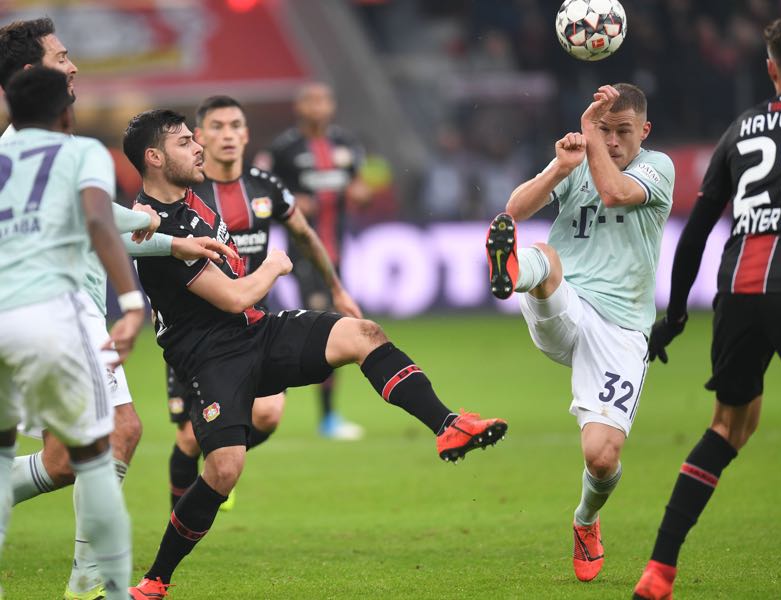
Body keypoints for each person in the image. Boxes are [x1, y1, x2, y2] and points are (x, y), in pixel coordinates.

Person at [123, 109, 507, 599]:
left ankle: (447, 425)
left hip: (256, 332)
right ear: (154, 158)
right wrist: (276, 267)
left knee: (362, 333)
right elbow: (237, 296)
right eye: (184, 142)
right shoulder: (155, 228)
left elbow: (271, 250)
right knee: (224, 470)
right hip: (211, 357)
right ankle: (156, 580)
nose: (198, 146)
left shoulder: (191, 195)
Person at [0, 18, 235, 600]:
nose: (74, 66)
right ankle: (90, 586)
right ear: (33, 74)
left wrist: (173, 242)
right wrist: (146, 229)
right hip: (61, 312)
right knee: (119, 432)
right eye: (62, 58)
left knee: (60, 460)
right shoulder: (57, 149)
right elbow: (100, 216)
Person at [633, 16, 781, 600]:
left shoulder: (741, 128)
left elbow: (697, 231)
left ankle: (659, 570)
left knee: (729, 427)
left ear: (771, 67)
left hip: (740, 289)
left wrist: (676, 314)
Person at [486, 83, 674, 583]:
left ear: (644, 132)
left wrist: (589, 138)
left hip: (621, 329)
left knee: (602, 454)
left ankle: (586, 520)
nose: (611, 141)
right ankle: (510, 271)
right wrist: (559, 169)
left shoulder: (658, 167)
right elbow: (514, 210)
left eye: (622, 132)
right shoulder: (580, 165)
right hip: (564, 306)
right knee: (546, 259)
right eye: (604, 130)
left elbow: (615, 190)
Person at [166, 95, 363, 512]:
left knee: (269, 414)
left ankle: (220, 468)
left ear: (246, 134)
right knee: (187, 438)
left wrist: (338, 289)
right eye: (217, 127)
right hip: (194, 330)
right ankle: (185, 512)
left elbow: (306, 236)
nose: (228, 135)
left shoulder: (264, 185)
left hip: (252, 321)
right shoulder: (186, 192)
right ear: (199, 136)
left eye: (235, 126)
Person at [0, 66, 142, 600]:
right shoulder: (80, 154)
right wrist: (130, 301)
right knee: (98, 452)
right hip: (52, 314)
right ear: (65, 113)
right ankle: (106, 588)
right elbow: (100, 222)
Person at [255, 81, 371, 440]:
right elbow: (261, 193)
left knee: (318, 328)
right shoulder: (284, 148)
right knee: (323, 325)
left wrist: (360, 192)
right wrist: (288, 203)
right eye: (312, 100)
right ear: (300, 107)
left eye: (325, 100)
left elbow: (359, 187)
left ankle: (309, 409)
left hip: (335, 252)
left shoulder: (346, 145)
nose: (319, 107)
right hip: (299, 254)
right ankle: (313, 412)